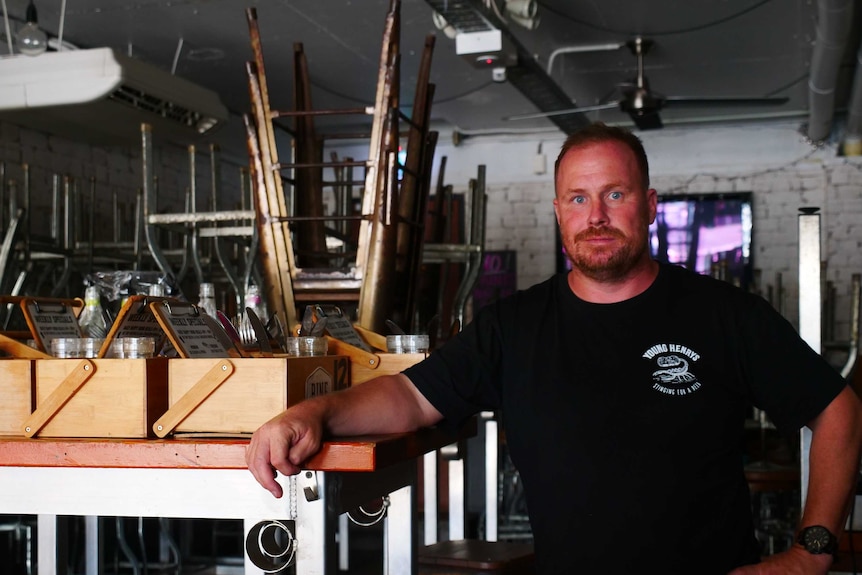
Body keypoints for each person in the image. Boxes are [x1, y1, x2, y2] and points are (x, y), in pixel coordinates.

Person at [247, 122, 862, 574]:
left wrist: (811, 553)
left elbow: (837, 408)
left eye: (615, 195)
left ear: (649, 206)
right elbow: (411, 397)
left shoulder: (725, 315)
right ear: (558, 212)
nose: (596, 215)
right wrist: (316, 412)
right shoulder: (512, 327)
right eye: (578, 198)